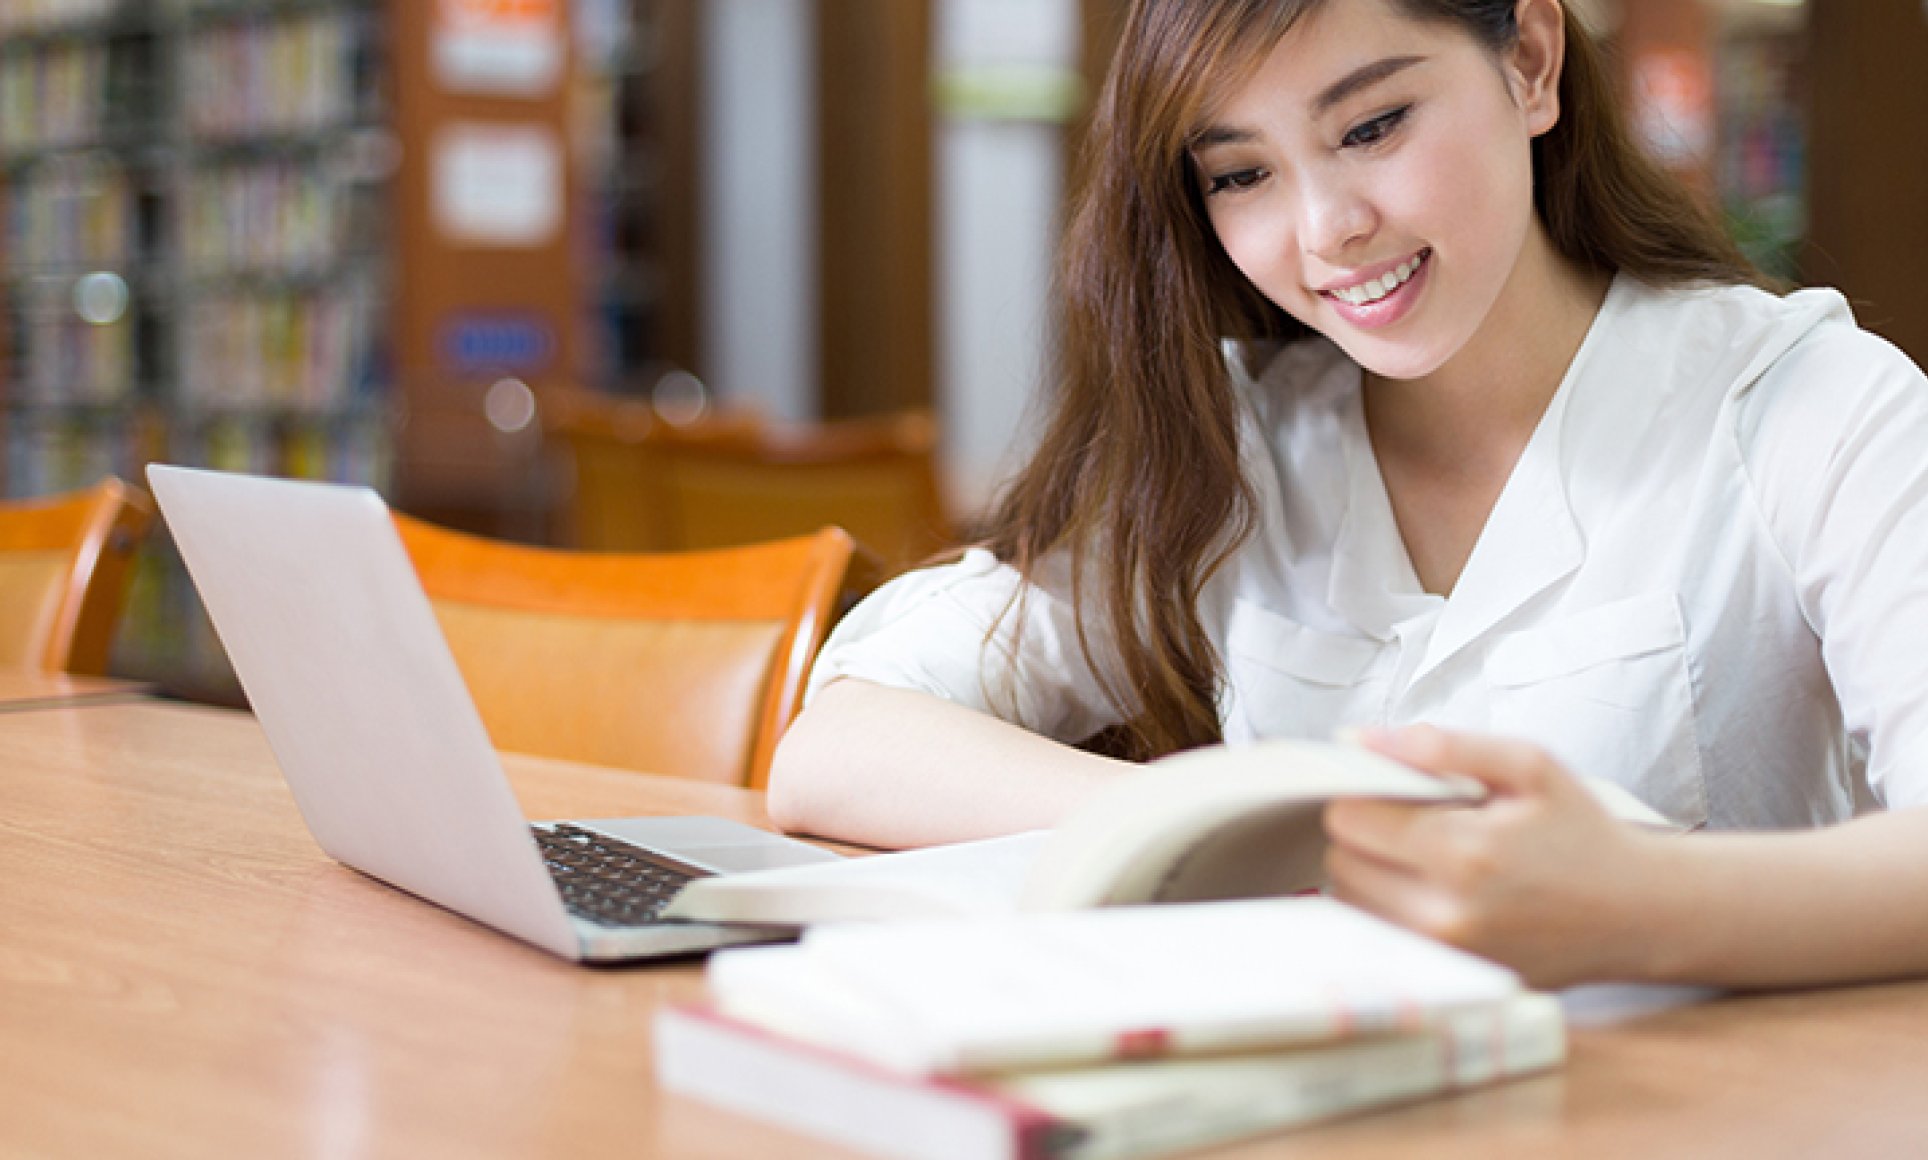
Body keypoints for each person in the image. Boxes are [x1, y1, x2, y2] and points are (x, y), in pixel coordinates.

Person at [768, 0, 1928, 990]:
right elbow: (839, 742)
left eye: (1370, 125)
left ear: (1529, 61)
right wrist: (1220, 819)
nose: (1324, 229)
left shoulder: (1807, 406)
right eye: (1241, 174)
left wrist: (1636, 899)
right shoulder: (1234, 448)